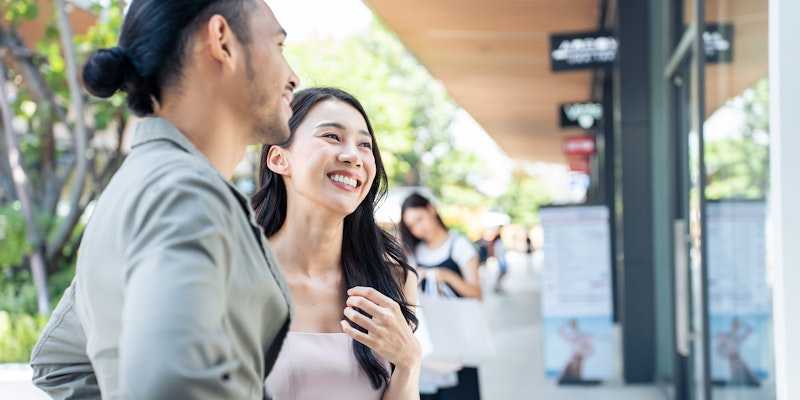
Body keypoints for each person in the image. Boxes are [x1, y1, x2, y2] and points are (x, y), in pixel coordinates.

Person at [29, 1, 300, 399]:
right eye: (278, 46)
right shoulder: (184, 195)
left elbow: (61, 364)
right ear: (221, 41)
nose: (293, 76)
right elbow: (170, 387)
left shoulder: (137, 186)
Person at [251, 87, 421, 399]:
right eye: (332, 136)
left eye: (365, 145)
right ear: (278, 158)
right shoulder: (236, 275)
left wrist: (409, 363)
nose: (352, 156)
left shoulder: (392, 279)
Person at [399, 193, 482, 400]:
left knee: (460, 393)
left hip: (457, 338)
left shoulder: (458, 245)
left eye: (420, 219)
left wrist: (446, 277)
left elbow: (477, 294)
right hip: (428, 338)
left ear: (431, 209)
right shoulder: (414, 251)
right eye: (412, 225)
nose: (418, 229)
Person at [716, 318, 760, 386]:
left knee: (749, 375)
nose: (736, 328)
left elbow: (750, 330)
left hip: (737, 357)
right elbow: (719, 349)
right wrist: (726, 354)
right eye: (735, 326)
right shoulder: (726, 336)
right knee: (736, 374)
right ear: (732, 326)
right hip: (732, 358)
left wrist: (743, 323)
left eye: (738, 326)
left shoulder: (737, 337)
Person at [557, 319, 595, 384]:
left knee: (576, 375)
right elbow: (561, 333)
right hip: (574, 359)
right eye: (572, 324)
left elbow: (591, 350)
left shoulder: (582, 335)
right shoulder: (574, 335)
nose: (572, 326)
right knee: (567, 375)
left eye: (573, 324)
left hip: (578, 358)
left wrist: (583, 354)